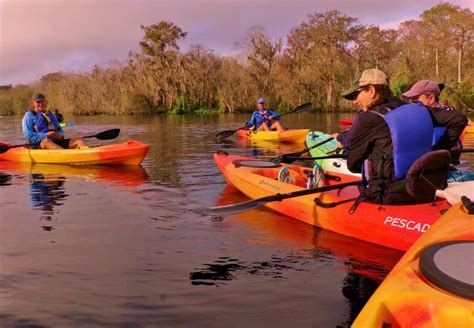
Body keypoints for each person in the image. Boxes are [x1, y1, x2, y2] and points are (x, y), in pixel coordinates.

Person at [341, 69, 467, 205]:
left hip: (387, 195)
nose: (355, 101)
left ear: (371, 90)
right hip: (423, 188)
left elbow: (352, 165)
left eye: (356, 94)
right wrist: (435, 152)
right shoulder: (414, 107)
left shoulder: (368, 117)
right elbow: (459, 120)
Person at [22, 93, 87, 149]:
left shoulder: (50, 115)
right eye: (38, 102)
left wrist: (60, 135)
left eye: (42, 101)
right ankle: (67, 156)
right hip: (39, 144)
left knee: (79, 140)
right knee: (47, 142)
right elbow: (28, 134)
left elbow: (60, 130)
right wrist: (46, 135)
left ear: (45, 102)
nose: (41, 104)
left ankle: (88, 153)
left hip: (56, 142)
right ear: (33, 103)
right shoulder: (29, 116)